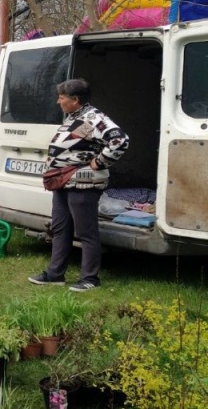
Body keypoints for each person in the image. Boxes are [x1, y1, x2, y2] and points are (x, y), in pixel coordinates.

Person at [29, 79, 129, 293]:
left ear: (76, 100)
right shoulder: (77, 118)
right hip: (64, 182)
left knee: (86, 231)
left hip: (82, 184)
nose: (58, 102)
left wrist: (99, 162)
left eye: (62, 98)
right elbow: (79, 142)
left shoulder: (94, 118)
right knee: (60, 228)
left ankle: (90, 278)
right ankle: (55, 274)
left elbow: (119, 140)